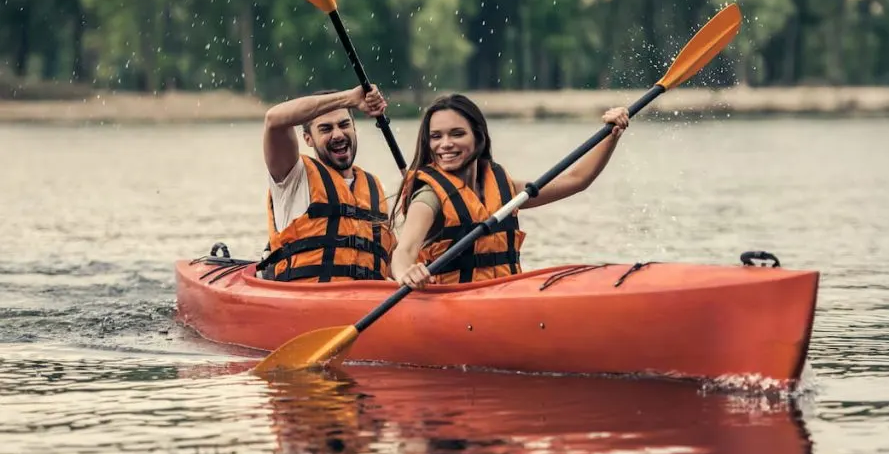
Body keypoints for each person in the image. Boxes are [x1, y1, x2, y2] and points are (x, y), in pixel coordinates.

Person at [390, 93, 629, 288]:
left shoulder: (505, 188)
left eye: (457, 133)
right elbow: (405, 250)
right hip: (453, 301)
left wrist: (612, 135)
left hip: (502, 294)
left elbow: (577, 179)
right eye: (435, 137)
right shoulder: (429, 196)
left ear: (478, 137)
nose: (445, 144)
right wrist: (406, 274)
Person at [258, 85, 397, 282]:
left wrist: (412, 271)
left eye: (344, 125)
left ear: (355, 129)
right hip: (308, 303)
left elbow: (391, 259)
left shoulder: (375, 188)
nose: (338, 134)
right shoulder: (293, 176)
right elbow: (274, 120)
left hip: (368, 302)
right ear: (308, 139)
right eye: (326, 129)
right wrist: (350, 98)